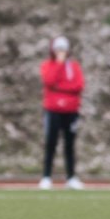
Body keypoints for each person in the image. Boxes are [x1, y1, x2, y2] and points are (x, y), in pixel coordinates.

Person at [39, 35, 84, 189]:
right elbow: (49, 82)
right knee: (51, 143)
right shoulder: (48, 65)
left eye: (63, 49)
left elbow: (77, 86)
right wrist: (58, 65)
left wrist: (60, 88)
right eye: (58, 49)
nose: (61, 52)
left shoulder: (74, 66)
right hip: (53, 110)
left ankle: (71, 177)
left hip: (71, 110)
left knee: (69, 144)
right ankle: (46, 176)